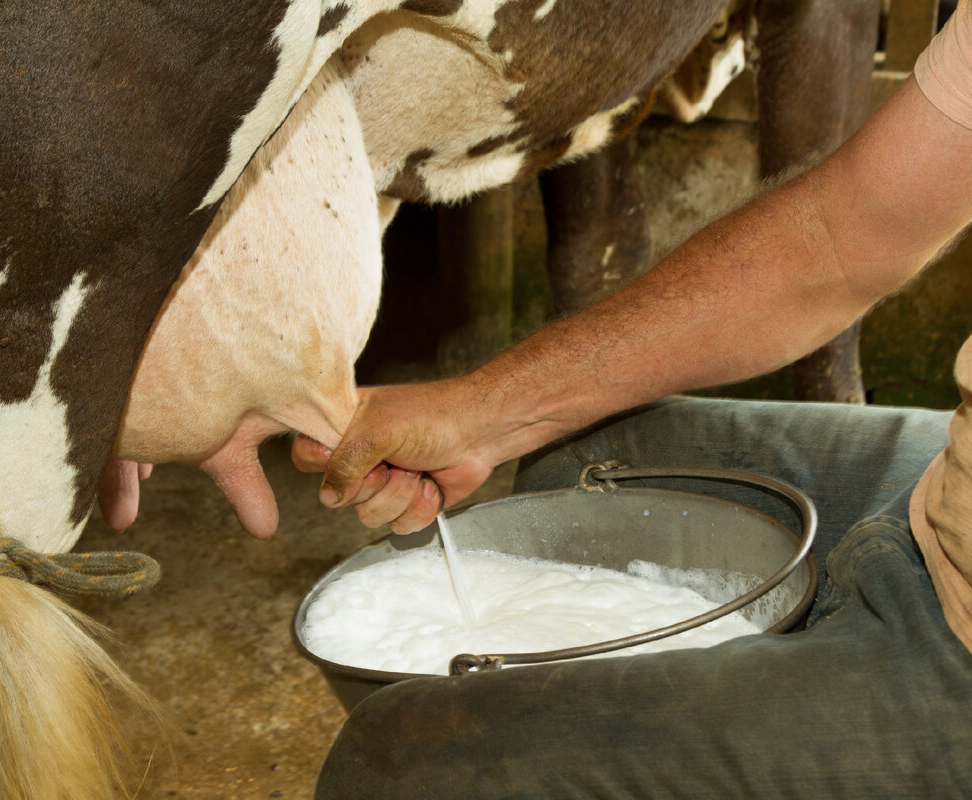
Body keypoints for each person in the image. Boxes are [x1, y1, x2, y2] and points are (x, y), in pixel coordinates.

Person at [289, 2, 972, 797]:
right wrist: (480, 414)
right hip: (945, 483)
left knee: (400, 759)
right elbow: (838, 233)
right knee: (581, 464)